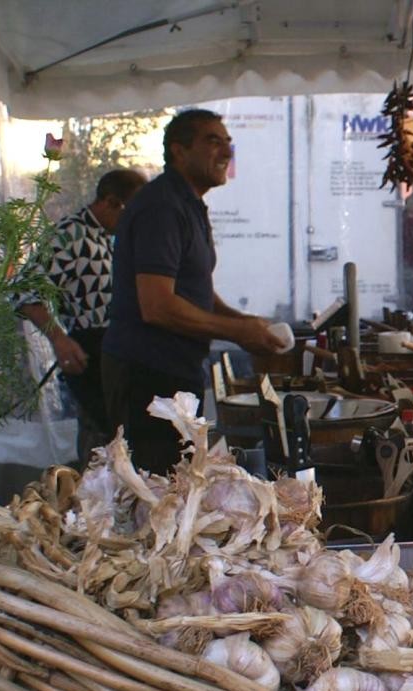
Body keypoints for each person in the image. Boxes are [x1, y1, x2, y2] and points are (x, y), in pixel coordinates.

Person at [102, 109, 285, 473]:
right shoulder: (162, 207)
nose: (226, 152)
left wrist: (245, 322)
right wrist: (237, 332)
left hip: (173, 372)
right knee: (155, 491)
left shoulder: (188, 204)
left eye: (229, 143)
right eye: (213, 141)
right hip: (147, 376)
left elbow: (197, 292)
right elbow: (158, 305)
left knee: (177, 482)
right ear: (178, 151)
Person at [19, 168, 148, 462]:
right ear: (110, 202)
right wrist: (59, 339)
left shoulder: (107, 235)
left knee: (121, 439)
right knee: (103, 442)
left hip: (118, 349)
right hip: (90, 348)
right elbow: (25, 293)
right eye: (131, 212)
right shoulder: (70, 234)